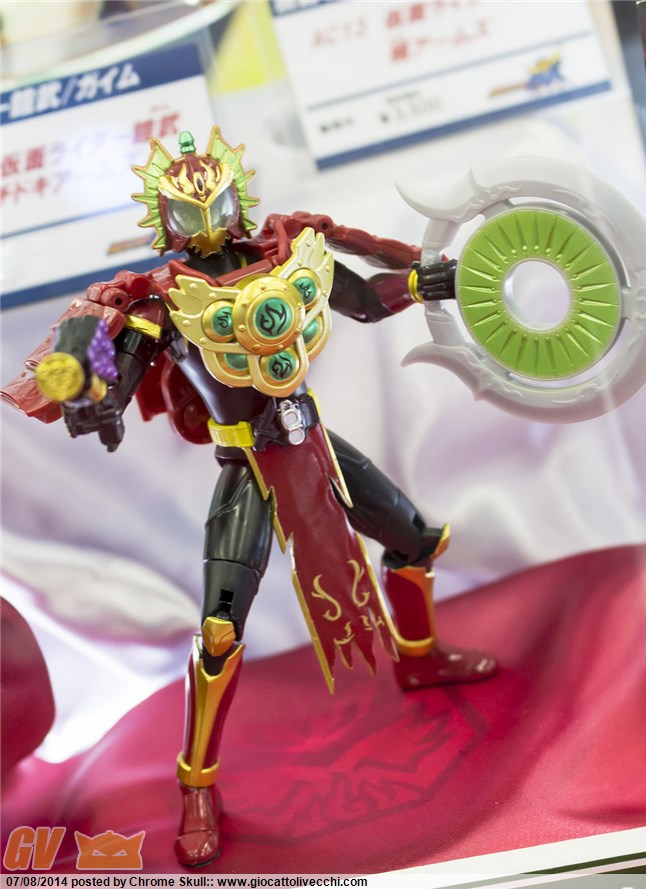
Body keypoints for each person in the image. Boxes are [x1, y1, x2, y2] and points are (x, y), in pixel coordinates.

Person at [2, 128, 496, 867]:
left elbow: (363, 300)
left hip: (314, 444)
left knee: (417, 541)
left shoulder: (285, 257)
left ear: (236, 195)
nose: (205, 219)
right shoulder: (163, 300)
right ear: (165, 214)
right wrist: (88, 385)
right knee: (220, 631)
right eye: (188, 208)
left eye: (216, 201)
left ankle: (420, 656)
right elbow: (112, 375)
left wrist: (427, 282)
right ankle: (197, 782)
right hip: (248, 465)